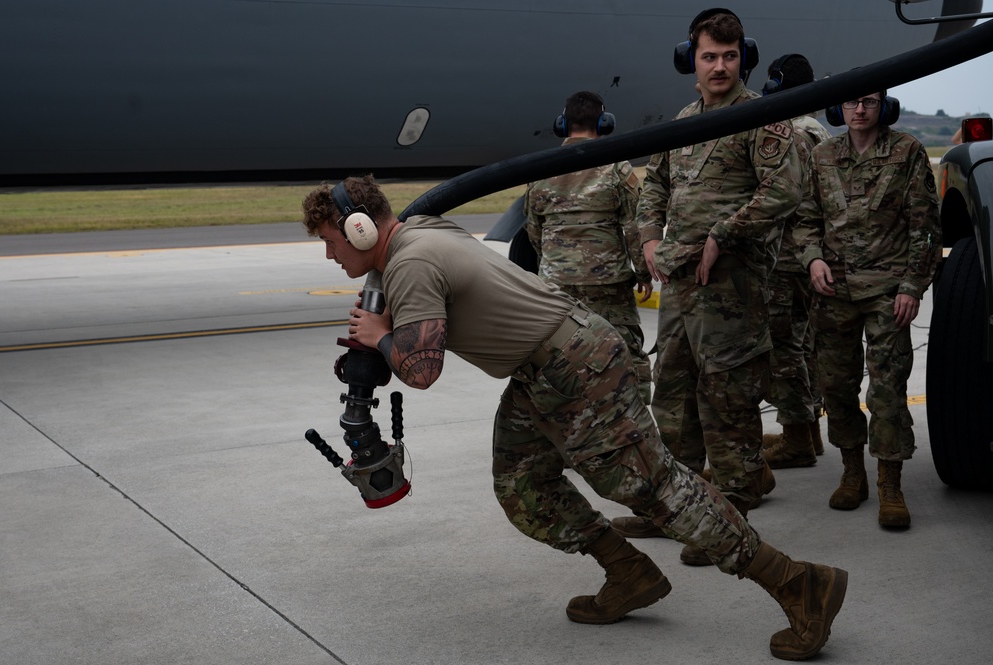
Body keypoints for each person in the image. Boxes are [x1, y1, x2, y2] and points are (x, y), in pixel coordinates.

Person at [302, 175, 848, 661]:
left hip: (574, 366)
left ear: (360, 229)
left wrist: (380, 337)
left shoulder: (411, 262)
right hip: (542, 369)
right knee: (522, 483)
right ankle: (628, 572)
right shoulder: (419, 230)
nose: (330, 256)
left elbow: (422, 372)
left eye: (329, 242)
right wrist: (383, 339)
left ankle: (797, 583)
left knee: (657, 489)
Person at [613, 9, 799, 560]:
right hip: (680, 283)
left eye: (730, 55)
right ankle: (680, 506)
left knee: (726, 396)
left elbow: (785, 191)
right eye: (709, 56)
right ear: (690, 59)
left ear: (745, 56)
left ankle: (732, 515)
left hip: (731, 286)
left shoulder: (762, 119)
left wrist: (724, 232)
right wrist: (648, 240)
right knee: (672, 393)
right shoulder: (686, 117)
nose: (719, 66)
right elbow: (655, 185)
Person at [793, 91, 941, 528]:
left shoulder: (906, 151)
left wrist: (913, 286)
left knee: (888, 390)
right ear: (839, 109)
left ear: (883, 108)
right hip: (833, 291)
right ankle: (852, 472)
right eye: (852, 103)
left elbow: (926, 226)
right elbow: (804, 219)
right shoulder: (822, 156)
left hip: (887, 292)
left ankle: (889, 484)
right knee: (836, 388)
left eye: (870, 102)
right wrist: (812, 258)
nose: (860, 110)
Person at [525, 90, 653, 405]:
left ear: (562, 124)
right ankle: (630, 419)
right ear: (604, 122)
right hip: (608, 285)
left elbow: (533, 229)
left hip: (558, 286)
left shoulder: (541, 170)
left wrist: (554, 264)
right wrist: (643, 274)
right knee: (623, 352)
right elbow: (634, 227)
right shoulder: (617, 168)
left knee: (562, 355)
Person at [758, 54, 832, 468]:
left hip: (785, 256)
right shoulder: (817, 130)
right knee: (805, 346)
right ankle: (811, 432)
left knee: (783, 349)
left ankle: (797, 438)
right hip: (809, 254)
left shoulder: (789, 134)